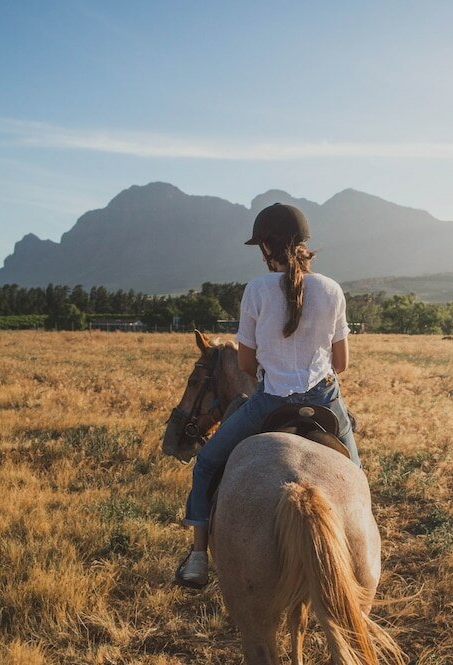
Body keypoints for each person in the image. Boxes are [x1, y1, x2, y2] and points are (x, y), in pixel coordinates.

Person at [175, 202, 360, 588]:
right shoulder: (331, 289)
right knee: (356, 477)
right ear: (304, 244)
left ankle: (197, 557)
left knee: (206, 463)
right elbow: (341, 363)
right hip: (324, 399)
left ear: (265, 248)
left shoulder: (256, 290)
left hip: (270, 401)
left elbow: (245, 363)